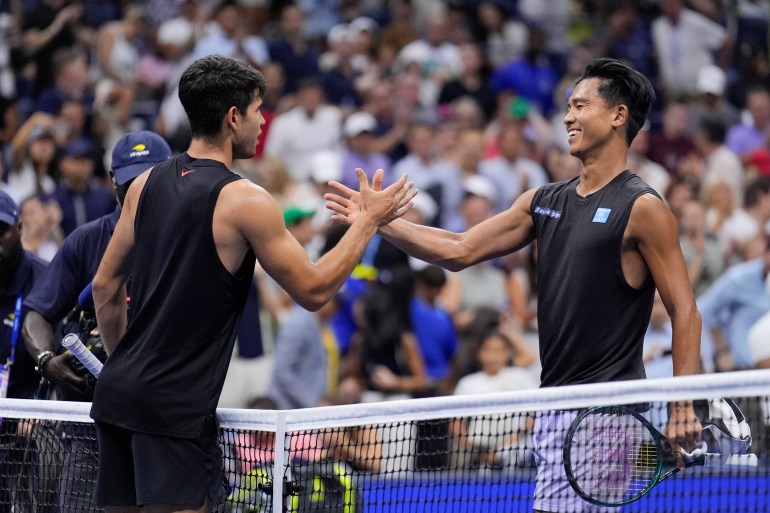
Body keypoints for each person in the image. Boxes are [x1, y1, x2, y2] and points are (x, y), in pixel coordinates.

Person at [326, 57, 702, 513]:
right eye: (568, 106)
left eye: (581, 105)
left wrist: (682, 405)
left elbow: (685, 310)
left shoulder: (641, 206)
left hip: (606, 408)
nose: (567, 116)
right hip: (553, 405)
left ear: (618, 116)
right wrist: (378, 223)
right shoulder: (544, 201)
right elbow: (460, 248)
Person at [89, 55, 414, 513]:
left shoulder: (142, 185)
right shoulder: (246, 199)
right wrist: (367, 222)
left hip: (118, 395)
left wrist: (125, 362)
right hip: (173, 408)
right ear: (233, 117)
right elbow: (315, 291)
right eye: (259, 110)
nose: (263, 123)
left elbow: (105, 287)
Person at [22, 130, 173, 513]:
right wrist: (46, 360)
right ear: (113, 181)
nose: (139, 192)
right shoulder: (87, 240)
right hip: (88, 427)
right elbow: (39, 311)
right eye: (130, 183)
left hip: (162, 427)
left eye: (149, 181)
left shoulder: (188, 239)